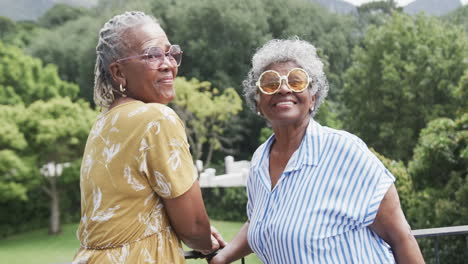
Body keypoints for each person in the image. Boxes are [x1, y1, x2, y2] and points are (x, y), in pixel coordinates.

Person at [210, 38, 425, 263]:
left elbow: (401, 237)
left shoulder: (346, 152)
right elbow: (260, 219)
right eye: (271, 83)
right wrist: (223, 256)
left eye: (296, 81)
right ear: (258, 102)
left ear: (313, 97)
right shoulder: (259, 161)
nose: (284, 88)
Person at [72, 11, 224, 263]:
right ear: (119, 73)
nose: (168, 63)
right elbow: (194, 226)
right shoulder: (156, 119)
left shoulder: (104, 122)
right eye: (152, 55)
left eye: (169, 53)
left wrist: (201, 235)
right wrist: (207, 242)